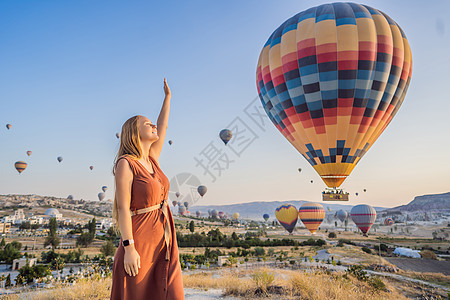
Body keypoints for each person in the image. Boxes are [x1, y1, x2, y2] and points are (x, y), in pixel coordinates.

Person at [110, 79, 184, 300]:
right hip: (139, 238)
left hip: (164, 237)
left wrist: (167, 98)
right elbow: (123, 209)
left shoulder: (153, 159)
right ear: (135, 132)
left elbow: (163, 127)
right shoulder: (126, 163)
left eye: (153, 123)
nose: (153, 126)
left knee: (171, 290)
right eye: (148, 123)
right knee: (138, 292)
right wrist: (129, 248)